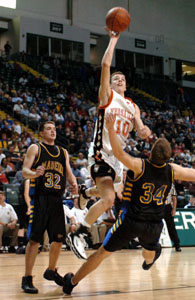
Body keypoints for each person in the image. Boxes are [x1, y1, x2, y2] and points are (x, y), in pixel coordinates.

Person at [62, 113, 195, 295]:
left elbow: (118, 153)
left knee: (102, 253)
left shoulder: (139, 165)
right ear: (168, 157)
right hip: (154, 224)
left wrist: (110, 129)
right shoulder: (173, 170)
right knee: (149, 252)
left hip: (130, 220)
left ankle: (72, 282)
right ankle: (150, 260)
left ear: (150, 152)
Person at [66, 28, 151, 260]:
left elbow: (141, 128)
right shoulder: (107, 97)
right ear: (111, 85)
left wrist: (144, 131)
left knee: (113, 191)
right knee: (109, 200)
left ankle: (85, 191)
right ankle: (79, 233)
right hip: (101, 152)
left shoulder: (133, 106)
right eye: (116, 79)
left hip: (118, 158)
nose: (119, 79)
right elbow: (105, 66)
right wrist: (113, 40)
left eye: (122, 78)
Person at [21, 121, 78, 294]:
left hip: (56, 201)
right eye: (48, 129)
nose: (52, 131)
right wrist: (34, 173)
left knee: (59, 240)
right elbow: (24, 170)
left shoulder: (63, 152)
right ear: (41, 132)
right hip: (40, 199)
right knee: (34, 241)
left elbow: (68, 173)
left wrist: (74, 183)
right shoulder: (35, 148)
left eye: (54, 129)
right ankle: (27, 278)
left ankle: (51, 270)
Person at [164, 183, 181, 252]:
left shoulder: (171, 184)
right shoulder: (156, 182)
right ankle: (151, 245)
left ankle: (177, 245)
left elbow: (174, 198)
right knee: (154, 226)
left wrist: (174, 209)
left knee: (171, 227)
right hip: (157, 206)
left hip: (167, 207)